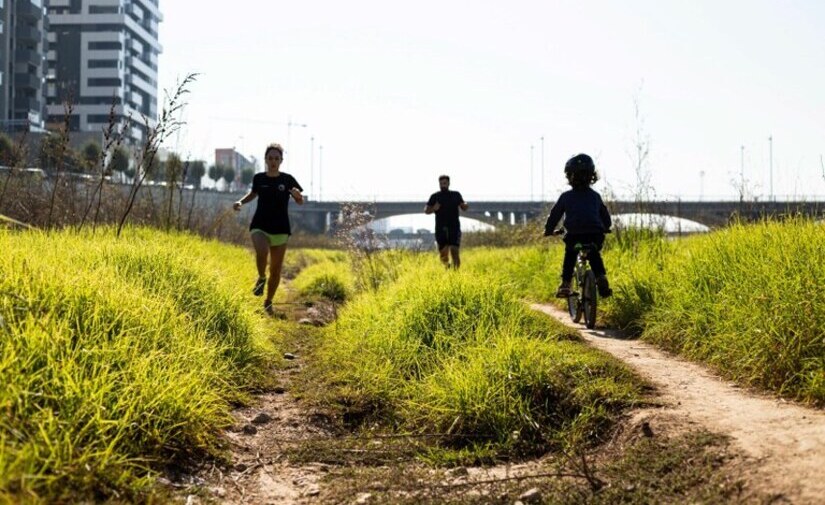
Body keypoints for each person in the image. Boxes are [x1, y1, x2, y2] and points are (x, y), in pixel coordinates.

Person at [234, 143, 304, 315]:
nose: (273, 161)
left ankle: (268, 302)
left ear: (281, 161)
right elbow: (253, 194)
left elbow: (300, 200)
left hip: (281, 228)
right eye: (270, 158)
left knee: (276, 270)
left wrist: (297, 196)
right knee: (262, 251)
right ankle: (261, 278)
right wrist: (240, 202)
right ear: (266, 160)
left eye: (276, 158)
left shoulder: (288, 180)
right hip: (260, 225)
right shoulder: (259, 178)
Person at [543, 153, 613, 298]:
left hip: (575, 238)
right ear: (592, 176)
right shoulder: (595, 196)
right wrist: (606, 227)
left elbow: (555, 214)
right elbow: (605, 216)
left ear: (569, 176)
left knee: (571, 254)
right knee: (593, 252)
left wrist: (549, 230)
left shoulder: (566, 197)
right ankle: (601, 277)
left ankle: (566, 284)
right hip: (595, 236)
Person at [425, 175, 468, 269]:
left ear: (449, 183)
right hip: (441, 228)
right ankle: (447, 269)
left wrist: (465, 205)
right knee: (443, 254)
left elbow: (463, 206)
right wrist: (433, 208)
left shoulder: (456, 195)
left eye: (444, 183)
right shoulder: (435, 196)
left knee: (454, 250)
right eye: (441, 183)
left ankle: (456, 274)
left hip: (454, 227)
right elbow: (426, 211)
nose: (442, 185)